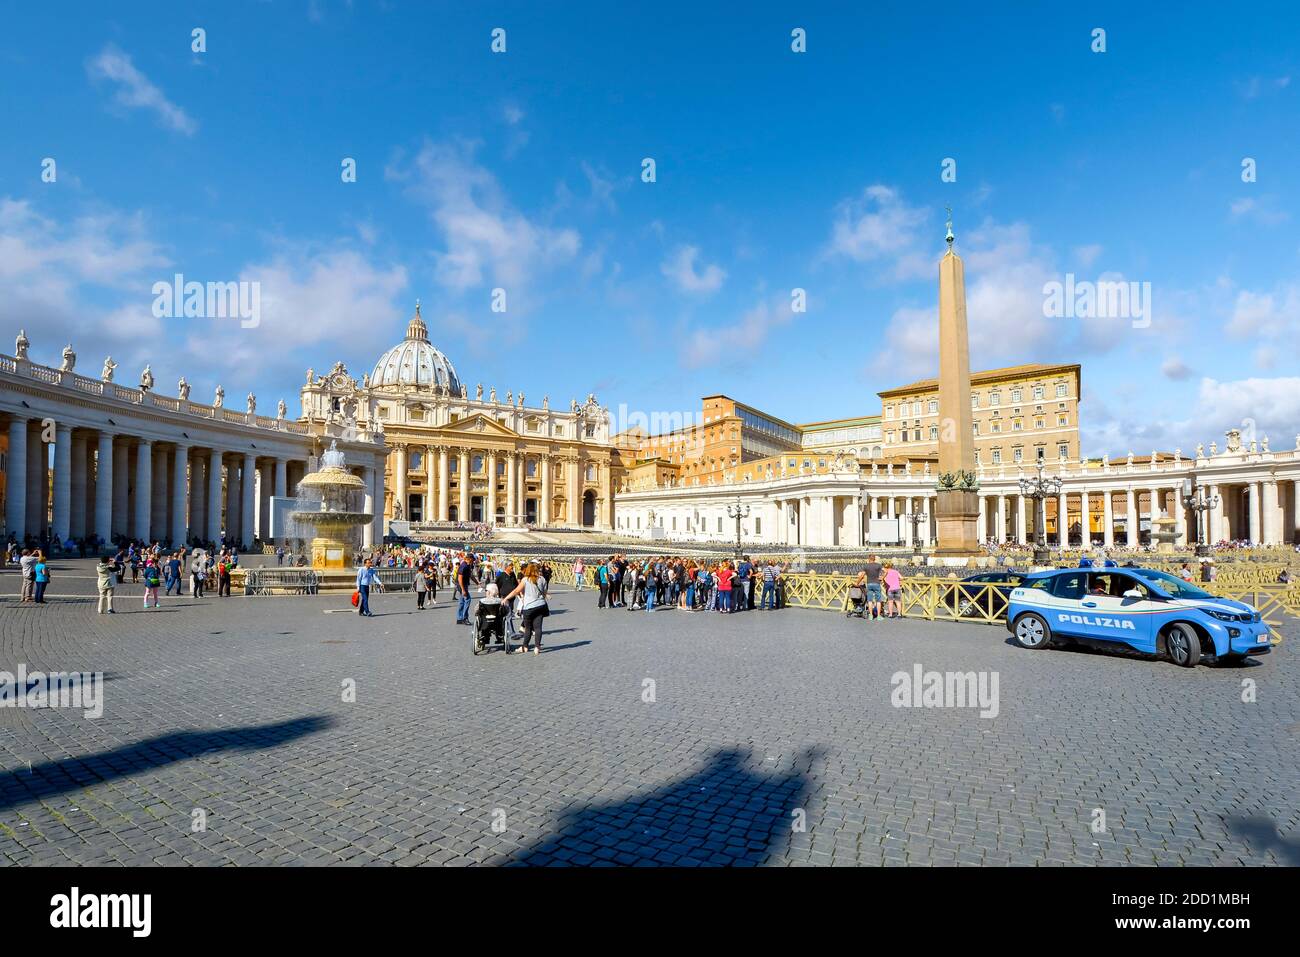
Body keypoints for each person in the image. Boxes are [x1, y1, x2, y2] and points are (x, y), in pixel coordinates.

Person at [501, 562, 549, 656]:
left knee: (528, 628)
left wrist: (506, 598)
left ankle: (525, 647)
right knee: (538, 628)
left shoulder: (525, 579)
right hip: (540, 605)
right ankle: (537, 647)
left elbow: (516, 591)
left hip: (529, 606)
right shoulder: (542, 579)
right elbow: (544, 592)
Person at [455, 554, 475, 624]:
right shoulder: (464, 566)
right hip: (462, 585)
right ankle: (464, 618)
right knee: (467, 599)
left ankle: (459, 618)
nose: (473, 561)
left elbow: (471, 575)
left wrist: (477, 582)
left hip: (463, 585)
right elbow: (460, 578)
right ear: (469, 559)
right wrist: (463, 589)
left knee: (462, 601)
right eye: (472, 560)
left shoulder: (467, 565)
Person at [862, 555, 884, 620]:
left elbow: (862, 575)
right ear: (874, 559)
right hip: (877, 583)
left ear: (869, 559)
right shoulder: (878, 565)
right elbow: (886, 571)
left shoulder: (866, 566)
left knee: (870, 600)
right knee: (878, 601)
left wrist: (857, 583)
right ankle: (878, 616)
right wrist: (882, 577)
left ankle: (871, 615)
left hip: (869, 584)